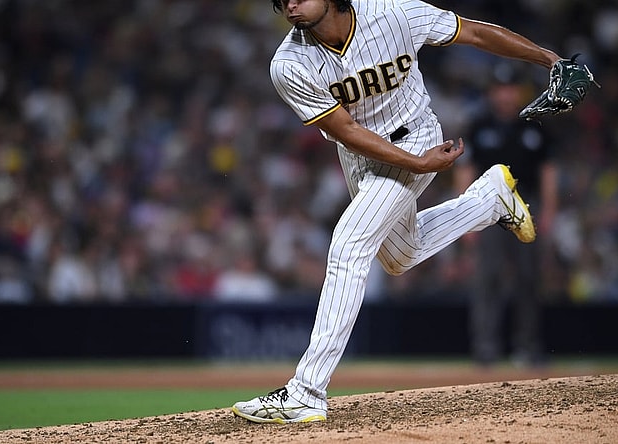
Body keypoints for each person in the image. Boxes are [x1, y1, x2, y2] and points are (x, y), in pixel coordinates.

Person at [232, 0, 562, 423]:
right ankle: (488, 201)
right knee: (400, 257)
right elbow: (348, 132)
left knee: (349, 245)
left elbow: (473, 32)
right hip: (362, 157)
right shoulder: (289, 64)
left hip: (415, 136)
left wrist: (546, 57)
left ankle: (306, 391)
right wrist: (421, 166)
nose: (291, 2)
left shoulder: (394, 13)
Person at [455, 67, 558, 367]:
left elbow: (548, 171)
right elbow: (466, 171)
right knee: (487, 278)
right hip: (487, 210)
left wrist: (550, 211)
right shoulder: (479, 126)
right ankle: (485, 348)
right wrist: (464, 218)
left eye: (511, 87)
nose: (506, 94)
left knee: (529, 278)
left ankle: (528, 347)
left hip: (528, 204)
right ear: (491, 93)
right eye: (501, 88)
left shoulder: (534, 124)